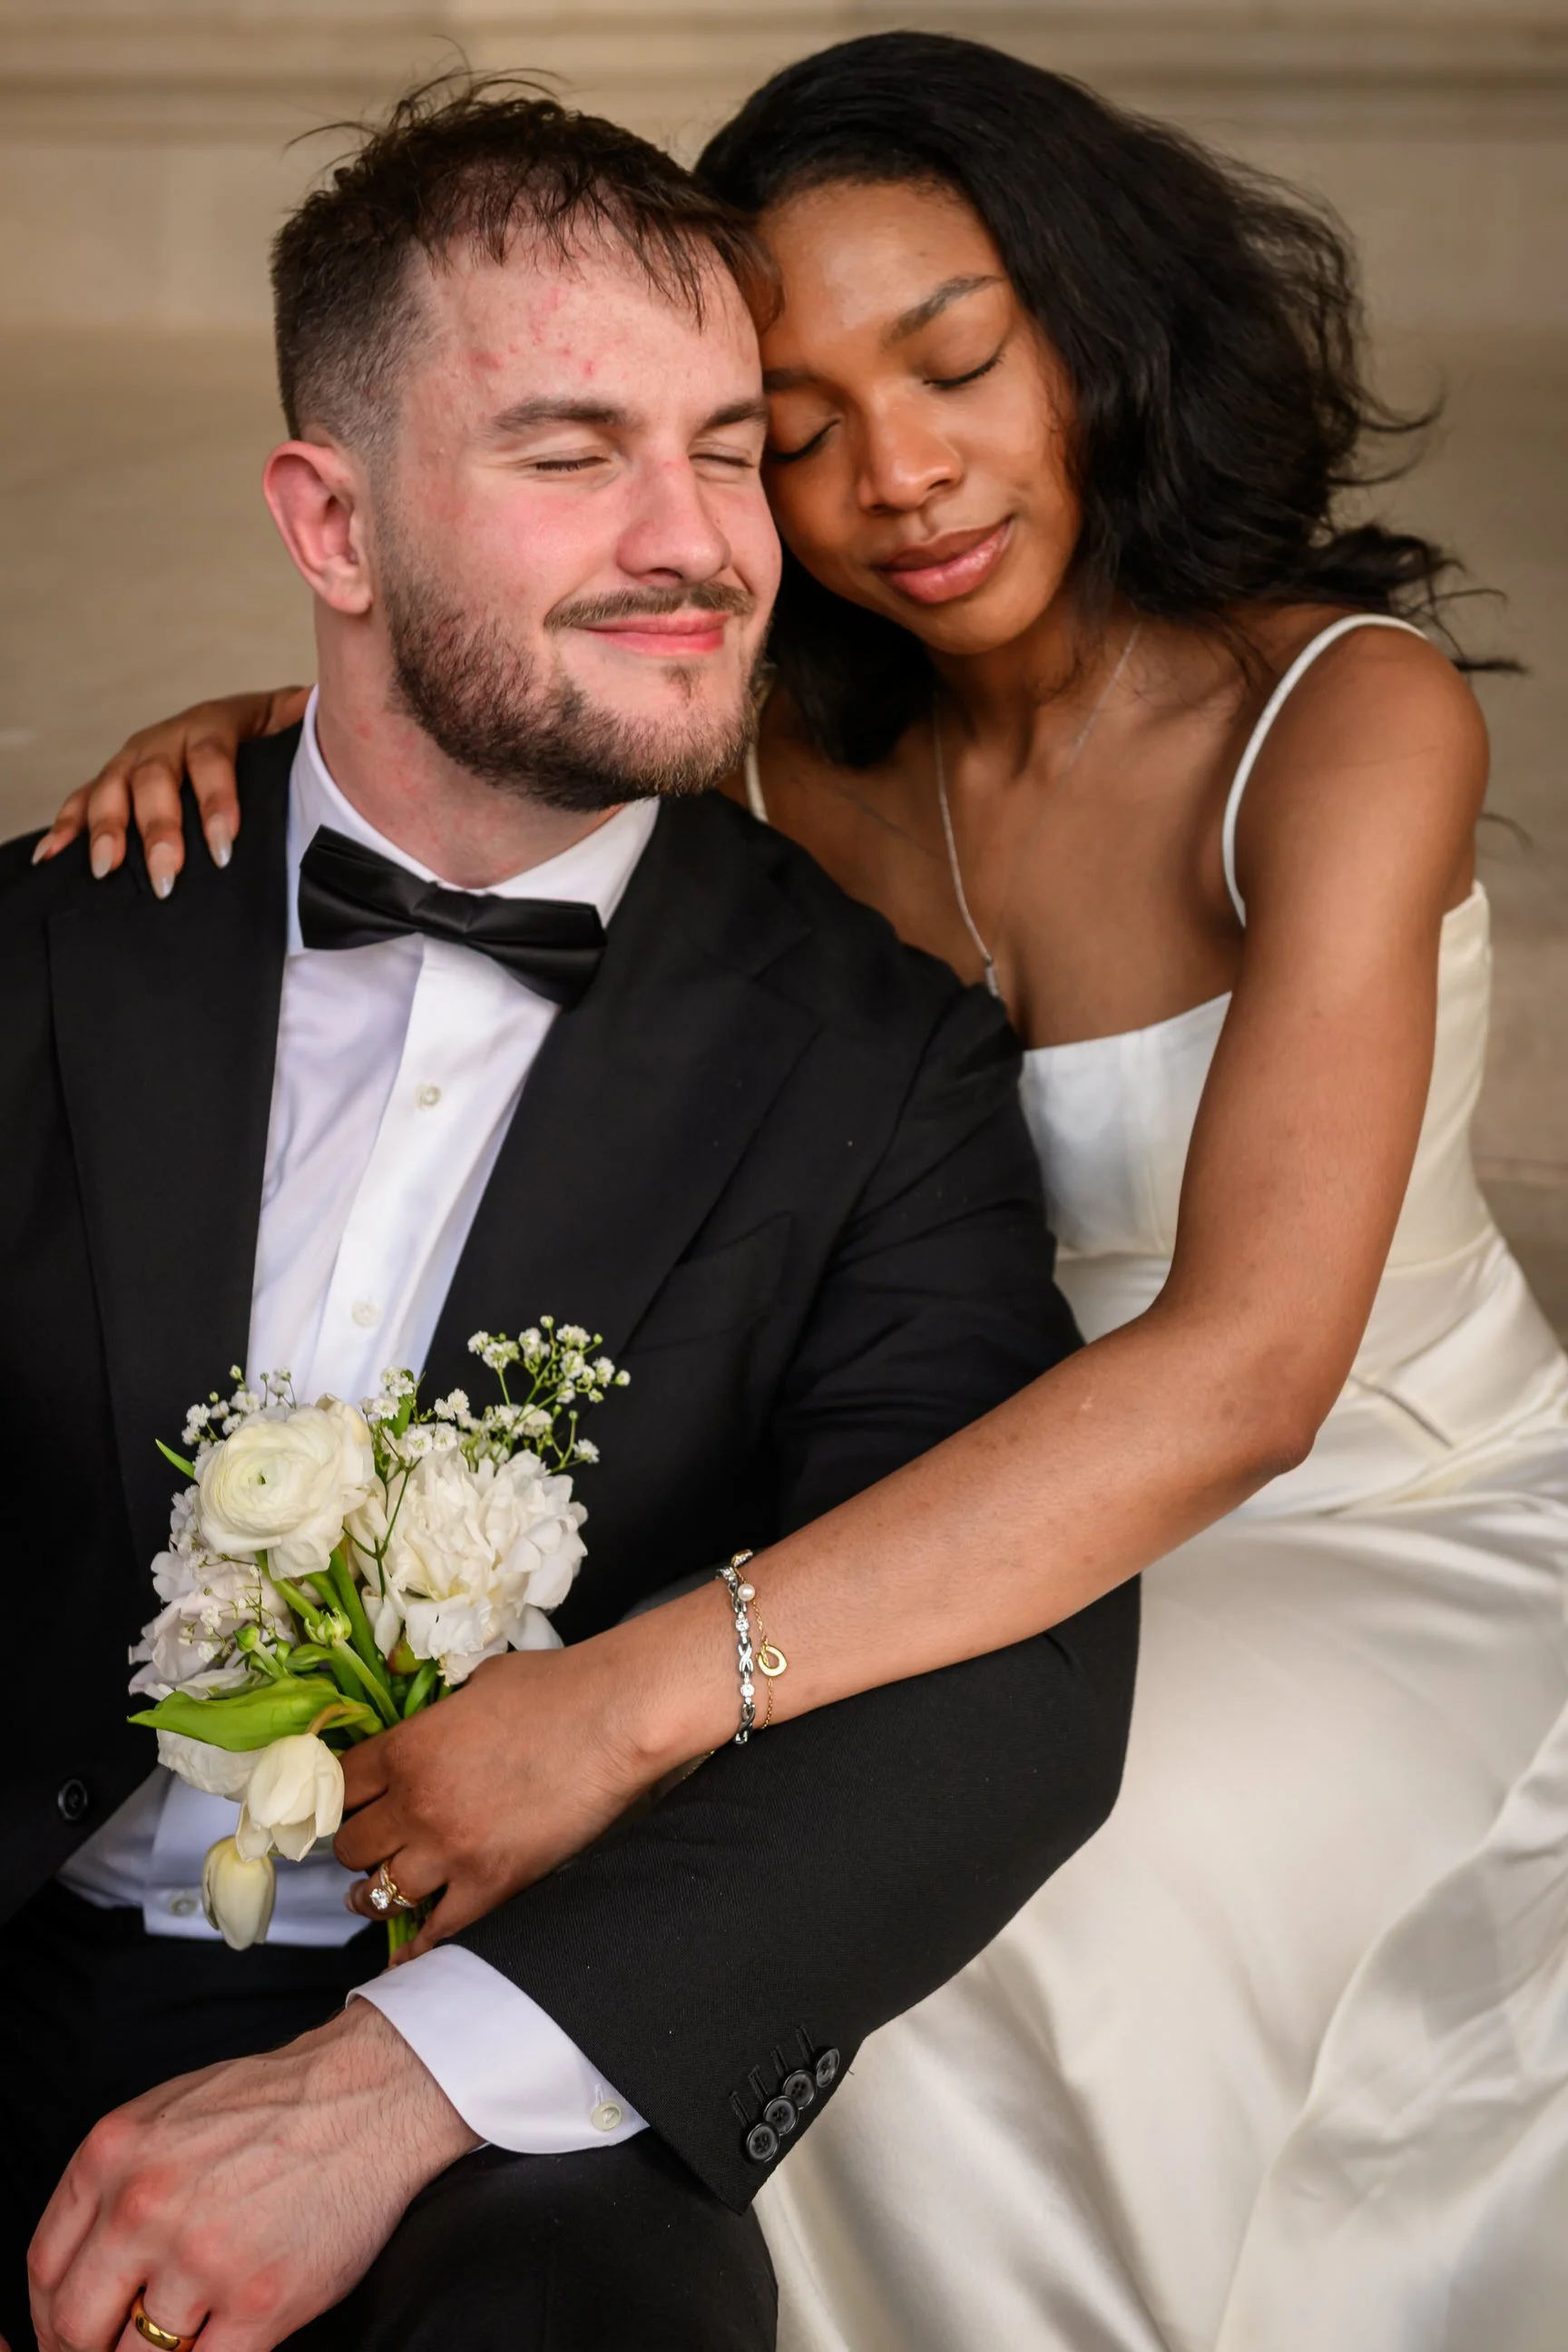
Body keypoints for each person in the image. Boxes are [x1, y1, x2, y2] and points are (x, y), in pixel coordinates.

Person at [45, 31, 1568, 2351]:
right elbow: (519, 697)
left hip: (1332, 1496)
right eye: (807, 428)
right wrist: (277, 729)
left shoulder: (1347, 720)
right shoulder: (789, 739)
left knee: (921, 1932)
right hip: (950, 1467)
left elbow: (1252, 1376)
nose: (899, 481)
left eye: (955, 363)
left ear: (1091, 332)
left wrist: (644, 1698)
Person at [0, 82, 1142, 2352]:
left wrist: (410, 2084)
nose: (695, 537)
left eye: (728, 447)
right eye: (567, 451)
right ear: (331, 524)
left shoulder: (880, 1061)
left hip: (488, 2082)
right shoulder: (56, 943)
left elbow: (1009, 1681)